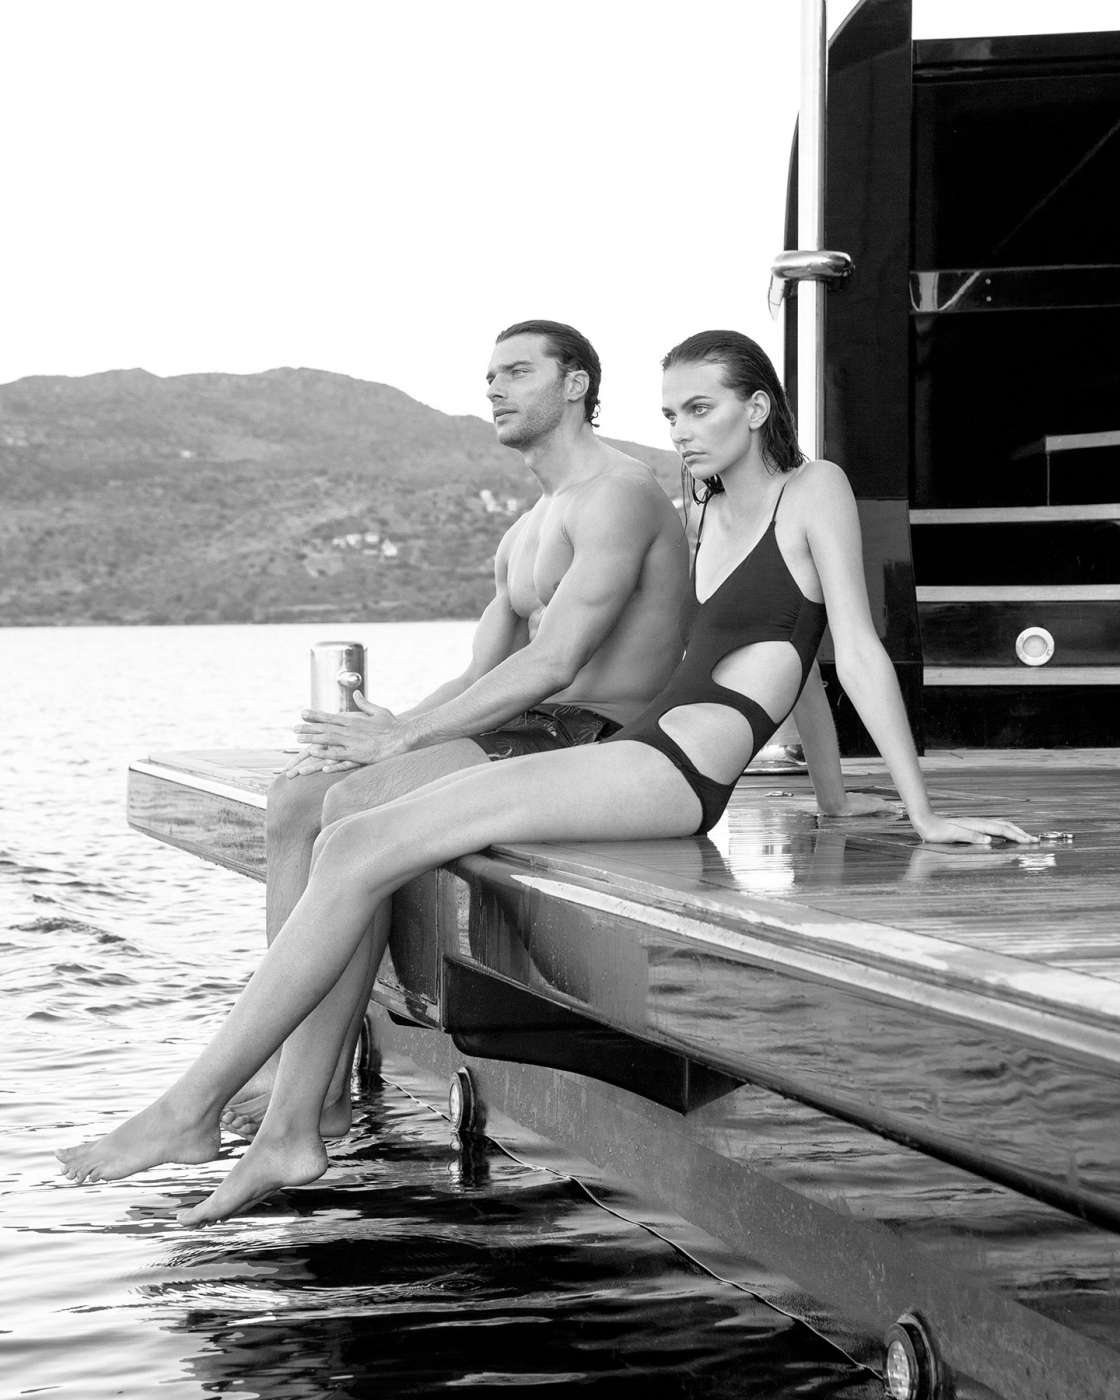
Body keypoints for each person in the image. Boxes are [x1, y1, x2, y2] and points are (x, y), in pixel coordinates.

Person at [58, 330, 1035, 1223]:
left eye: (700, 408)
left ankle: (195, 1109)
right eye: (670, 413)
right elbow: (800, 664)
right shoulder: (706, 509)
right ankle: (282, 1128)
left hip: (673, 773)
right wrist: (831, 803)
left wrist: (921, 814)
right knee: (353, 834)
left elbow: (850, 648)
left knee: (362, 840)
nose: (681, 431)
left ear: (758, 407)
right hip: (633, 753)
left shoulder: (813, 487)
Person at [226, 320, 878, 1139]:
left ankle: (306, 1094)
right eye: (490, 374)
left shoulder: (625, 493)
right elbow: (481, 672)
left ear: (576, 385)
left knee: (353, 806)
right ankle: (289, 1070)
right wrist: (386, 729)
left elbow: (560, 661)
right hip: (539, 728)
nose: (493, 388)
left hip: (592, 735)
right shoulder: (531, 530)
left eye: (516, 372)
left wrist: (399, 746)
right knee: (298, 798)